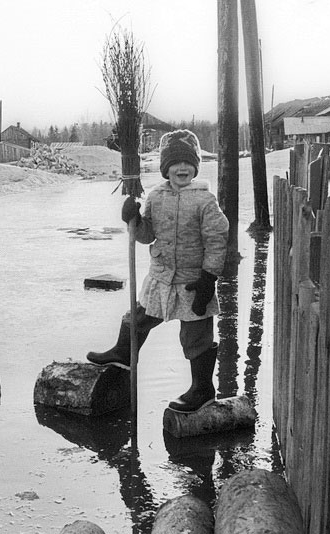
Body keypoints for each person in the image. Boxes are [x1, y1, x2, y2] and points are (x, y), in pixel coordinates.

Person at [86, 129, 229, 413]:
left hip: (192, 281)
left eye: (188, 163)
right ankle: (123, 353)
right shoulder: (157, 196)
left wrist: (208, 279)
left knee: (196, 335)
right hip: (161, 276)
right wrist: (133, 219)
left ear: (196, 166)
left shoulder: (205, 200)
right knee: (139, 318)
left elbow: (217, 239)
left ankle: (202, 389)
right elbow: (146, 234)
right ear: (165, 168)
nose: (182, 168)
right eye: (176, 163)